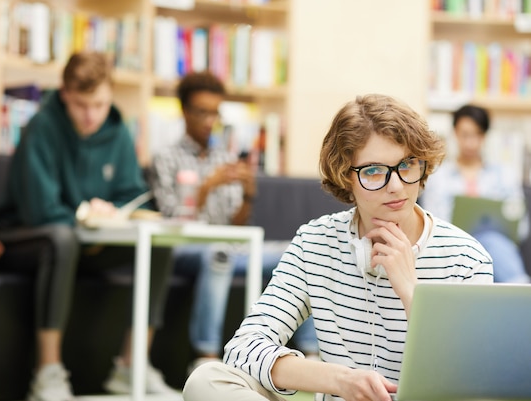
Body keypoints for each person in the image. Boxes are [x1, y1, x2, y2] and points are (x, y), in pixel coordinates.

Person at [182, 93, 494, 401]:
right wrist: (339, 380)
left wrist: (412, 294)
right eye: (373, 171)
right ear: (346, 177)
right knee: (206, 380)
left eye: (408, 164)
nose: (396, 186)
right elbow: (244, 347)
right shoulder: (315, 242)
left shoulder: (466, 259)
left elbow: (468, 384)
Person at [0, 51, 177, 401]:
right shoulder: (41, 127)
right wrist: (84, 218)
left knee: (160, 244)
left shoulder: (118, 130)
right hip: (26, 237)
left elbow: (135, 197)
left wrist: (113, 213)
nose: (91, 116)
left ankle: (131, 366)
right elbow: (39, 210)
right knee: (61, 239)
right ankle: (48, 375)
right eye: (81, 105)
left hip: (88, 240)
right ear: (64, 95)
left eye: (100, 105)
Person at [148, 71, 318, 372]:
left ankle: (313, 353)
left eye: (214, 113)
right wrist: (205, 187)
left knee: (302, 253)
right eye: (201, 112)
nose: (208, 121)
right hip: (184, 249)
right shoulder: (166, 157)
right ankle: (206, 357)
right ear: (184, 112)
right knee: (219, 253)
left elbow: (236, 226)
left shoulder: (223, 157)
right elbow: (172, 219)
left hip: (229, 247)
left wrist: (249, 196)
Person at [420, 104, 531, 283]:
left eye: (477, 135)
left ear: (485, 136)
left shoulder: (505, 175)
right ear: (455, 133)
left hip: (498, 248)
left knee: (490, 240)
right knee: (480, 244)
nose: (471, 142)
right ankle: (521, 289)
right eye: (465, 134)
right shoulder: (438, 177)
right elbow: (434, 226)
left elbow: (521, 227)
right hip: (453, 247)